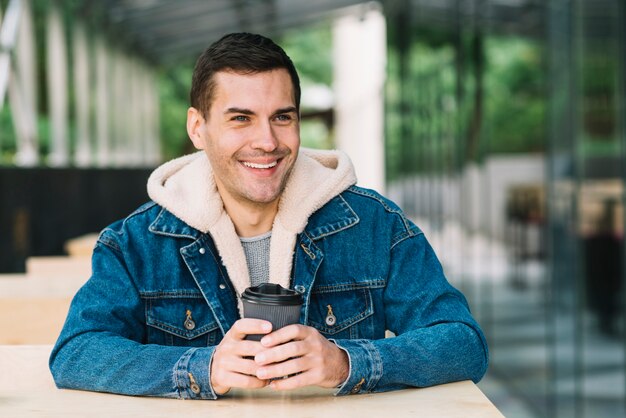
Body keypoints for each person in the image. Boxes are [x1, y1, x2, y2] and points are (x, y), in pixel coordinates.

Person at [50, 32, 488, 399]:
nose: (267, 141)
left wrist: (347, 362)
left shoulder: (376, 225)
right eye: (241, 118)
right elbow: (76, 351)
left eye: (282, 117)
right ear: (197, 128)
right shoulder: (136, 242)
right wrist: (202, 369)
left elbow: (463, 342)